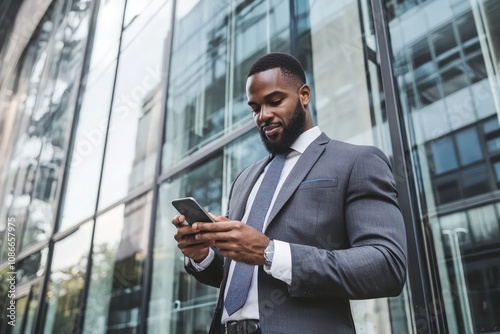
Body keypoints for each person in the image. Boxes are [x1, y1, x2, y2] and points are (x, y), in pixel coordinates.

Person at [172, 52, 407, 334]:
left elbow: (386, 265)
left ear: (304, 95)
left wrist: (270, 252)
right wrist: (203, 255)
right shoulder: (245, 179)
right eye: (255, 108)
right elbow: (240, 277)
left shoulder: (357, 161)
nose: (264, 116)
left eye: (275, 101)